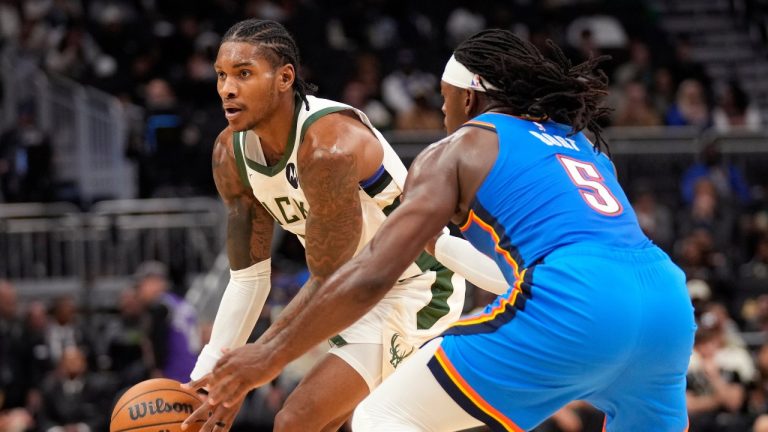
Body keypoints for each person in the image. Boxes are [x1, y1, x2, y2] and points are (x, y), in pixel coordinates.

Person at [200, 29, 697, 431]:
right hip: (666, 303)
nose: (442, 111)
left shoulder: (457, 147)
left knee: (383, 418)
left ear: (467, 95)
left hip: (545, 296)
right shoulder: (576, 142)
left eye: (444, 98)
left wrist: (263, 360)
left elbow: (369, 273)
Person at [182, 19, 507, 432]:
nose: (227, 88)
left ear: (285, 78)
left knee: (297, 421)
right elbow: (249, 278)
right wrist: (207, 375)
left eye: (244, 74)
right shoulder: (230, 153)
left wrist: (254, 366)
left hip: (413, 283)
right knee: (314, 422)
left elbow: (327, 275)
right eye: (221, 75)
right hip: (348, 288)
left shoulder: (328, 147)